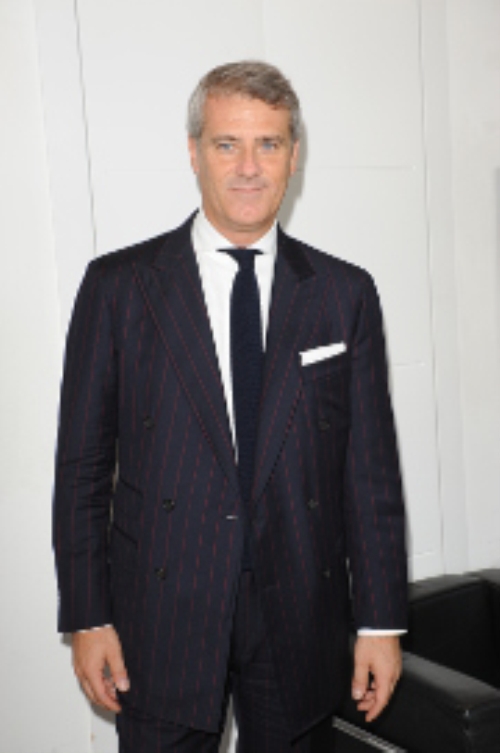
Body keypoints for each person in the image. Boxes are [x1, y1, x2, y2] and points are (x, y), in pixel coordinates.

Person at [53, 60, 407, 752]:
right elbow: (82, 469)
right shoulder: (119, 287)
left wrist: (380, 622)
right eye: (227, 144)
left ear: (294, 156)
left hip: (300, 611)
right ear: (194, 152)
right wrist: (88, 615)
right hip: (162, 612)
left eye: (268, 144)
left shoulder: (344, 293)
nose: (249, 167)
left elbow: (370, 475)